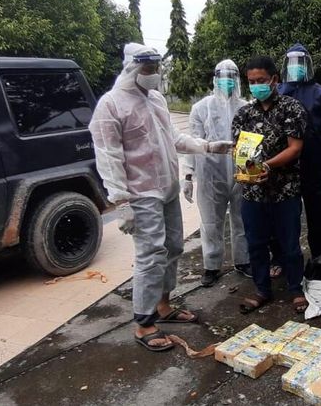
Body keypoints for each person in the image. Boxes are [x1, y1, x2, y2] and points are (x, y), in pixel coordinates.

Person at [89, 43, 232, 352]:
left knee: (173, 247)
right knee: (150, 254)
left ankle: (164, 305)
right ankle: (143, 322)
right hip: (140, 194)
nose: (154, 75)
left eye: (156, 69)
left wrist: (207, 146)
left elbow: (173, 138)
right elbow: (108, 156)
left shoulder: (155, 99)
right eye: (148, 69)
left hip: (166, 188)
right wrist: (121, 202)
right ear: (131, 69)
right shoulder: (111, 105)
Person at [232, 55, 309, 315]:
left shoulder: (291, 108)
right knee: (256, 242)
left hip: (285, 190)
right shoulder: (244, 114)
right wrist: (245, 169)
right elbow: (238, 149)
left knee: (289, 242)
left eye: (261, 80)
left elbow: (295, 148)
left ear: (274, 80)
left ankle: (295, 288)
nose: (256, 86)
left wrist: (266, 166)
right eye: (251, 82)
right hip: (253, 192)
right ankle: (262, 289)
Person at [182, 59, 251, 287]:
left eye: (232, 77)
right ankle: (212, 265)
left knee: (242, 219)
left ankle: (243, 260)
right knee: (211, 222)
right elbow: (191, 143)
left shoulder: (246, 107)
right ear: (215, 79)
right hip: (210, 172)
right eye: (223, 77)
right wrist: (188, 175)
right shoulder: (201, 108)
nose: (228, 81)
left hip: (240, 173)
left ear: (237, 80)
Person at [277, 43, 321, 261]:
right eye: (292, 62)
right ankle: (284, 259)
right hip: (285, 164)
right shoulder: (278, 92)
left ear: (308, 64)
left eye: (301, 62)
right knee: (285, 215)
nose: (296, 67)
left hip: (315, 162)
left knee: (320, 214)